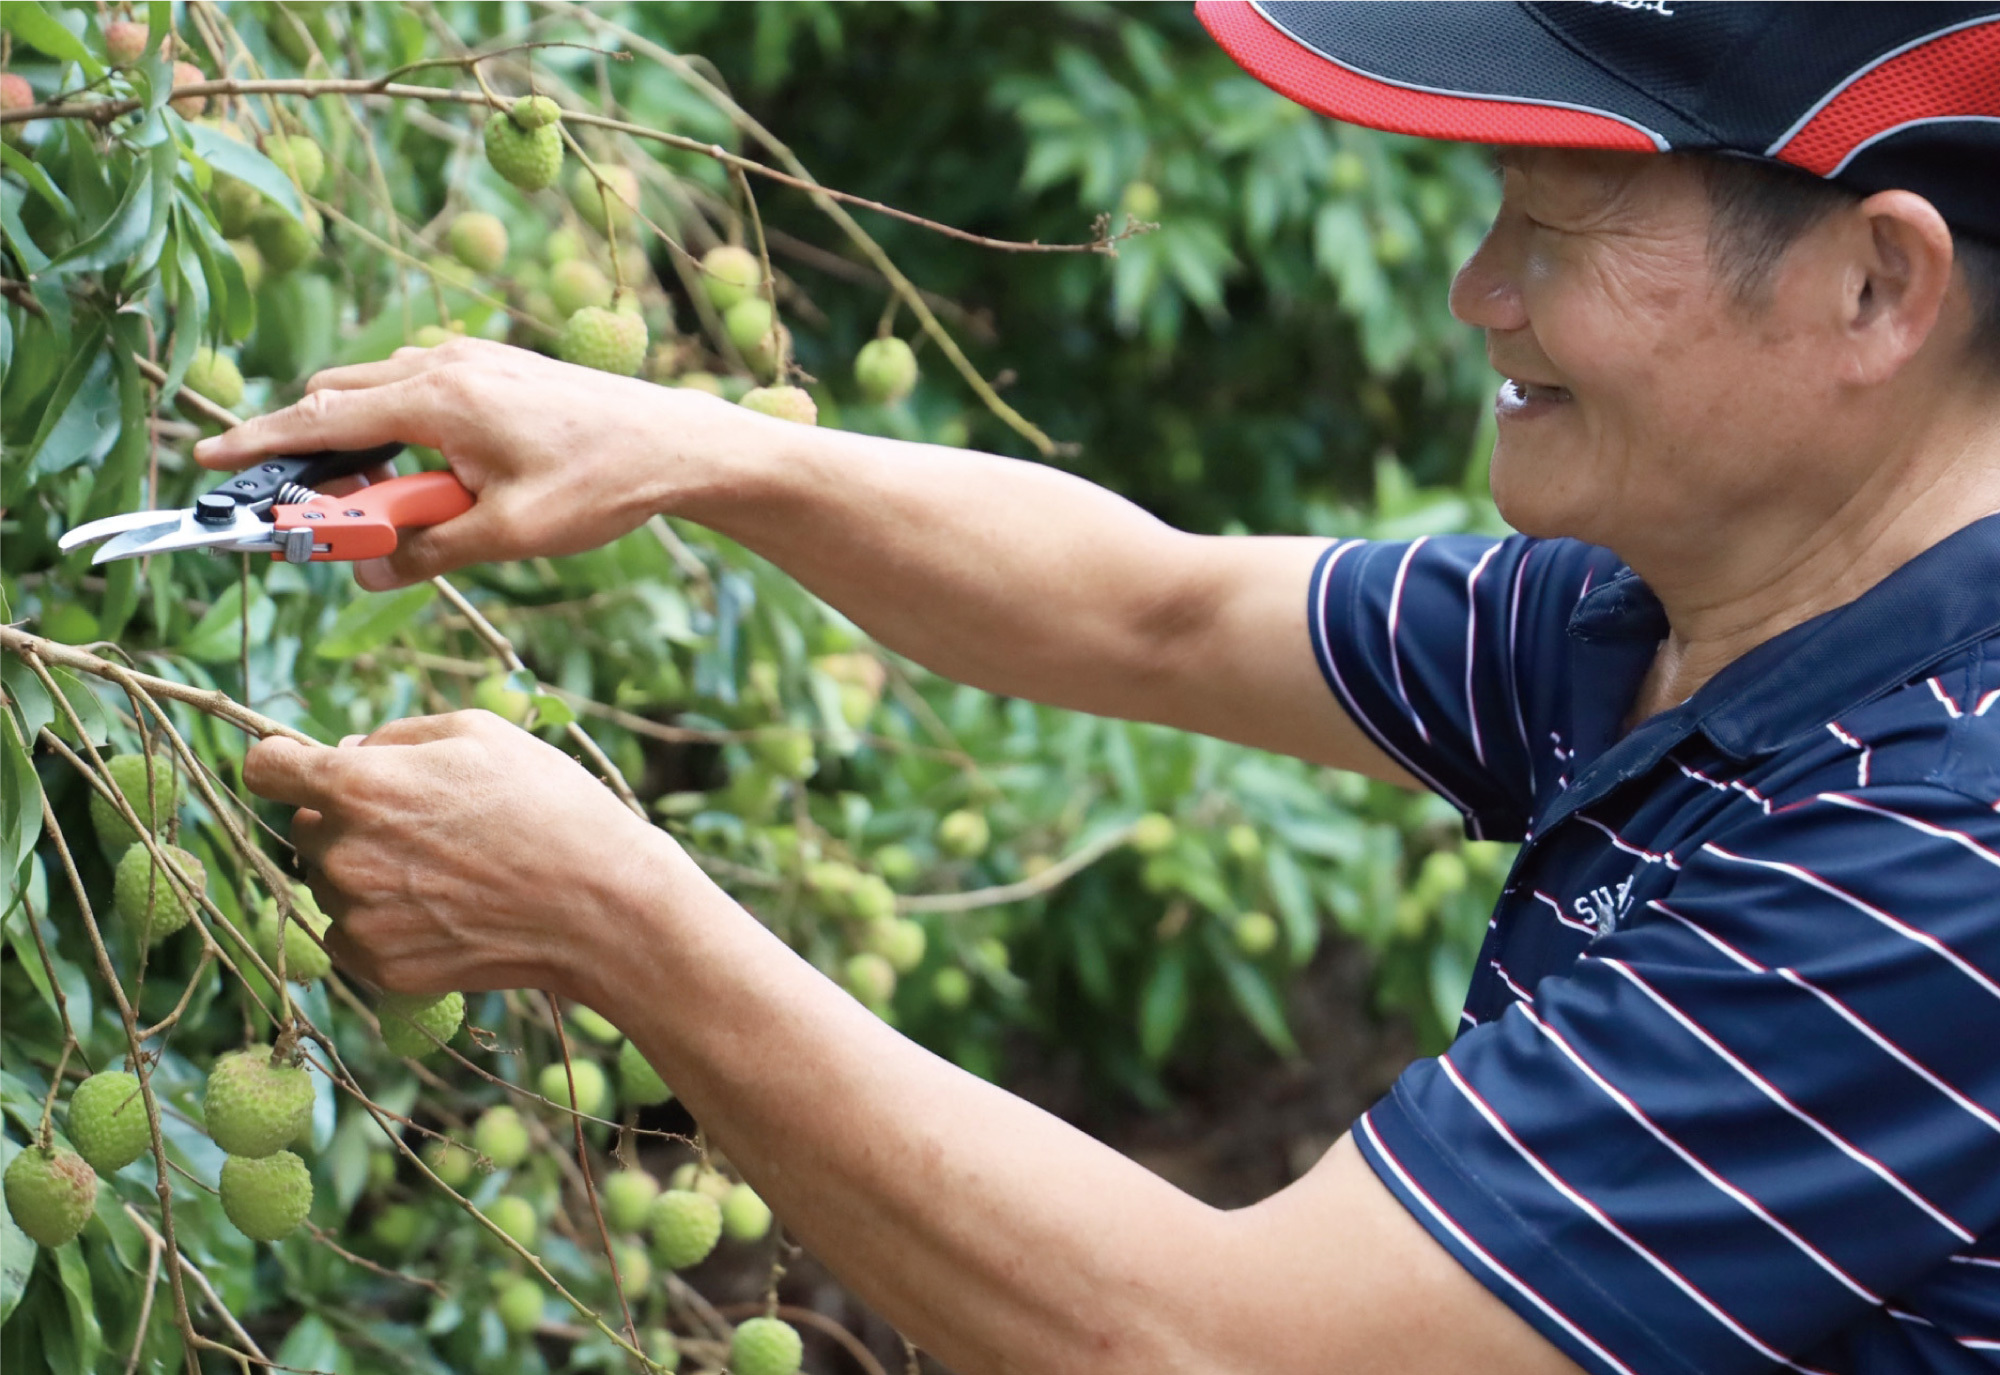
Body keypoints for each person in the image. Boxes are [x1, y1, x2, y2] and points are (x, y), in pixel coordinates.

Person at [195, 4, 2000, 1371]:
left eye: (1559, 226)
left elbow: (1215, 1350)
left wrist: (617, 921)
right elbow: (1153, 610)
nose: (1477, 294)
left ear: (1876, 287)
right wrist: (680, 445)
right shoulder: (1677, 616)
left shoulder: (1941, 846)